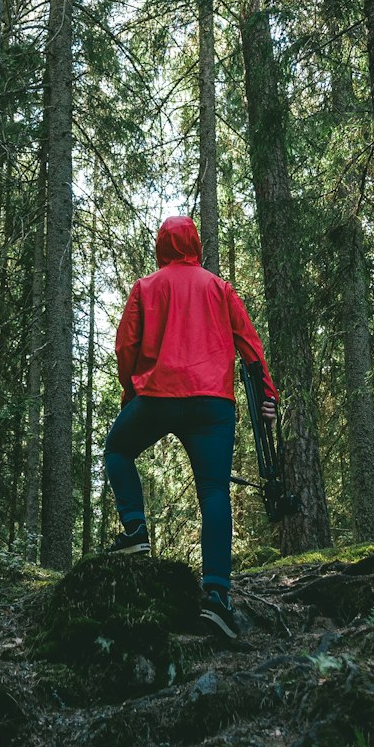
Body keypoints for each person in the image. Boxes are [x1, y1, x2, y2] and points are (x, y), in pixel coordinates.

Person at [103, 215, 277, 640]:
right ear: (195, 243)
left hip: (158, 396)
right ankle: (217, 596)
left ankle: (135, 529)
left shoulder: (146, 287)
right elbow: (250, 343)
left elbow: (125, 345)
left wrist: (132, 392)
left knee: (117, 451)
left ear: (161, 244)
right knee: (214, 493)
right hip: (212, 403)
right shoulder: (219, 288)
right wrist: (267, 394)